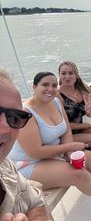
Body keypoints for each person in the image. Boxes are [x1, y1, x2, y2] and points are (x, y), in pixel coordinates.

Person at [8, 72, 91, 213]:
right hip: (29, 164)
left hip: (53, 155)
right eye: (45, 85)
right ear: (34, 87)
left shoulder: (56, 102)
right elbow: (35, 151)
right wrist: (71, 146)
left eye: (53, 85)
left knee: (90, 157)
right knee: (78, 174)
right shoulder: (26, 113)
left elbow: (66, 131)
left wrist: (69, 152)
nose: (50, 89)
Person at [0, 69, 50, 221]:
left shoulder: (5, 166)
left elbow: (36, 201)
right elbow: (36, 151)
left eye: (14, 118)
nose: (4, 127)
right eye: (45, 85)